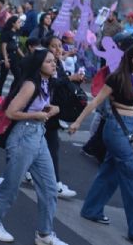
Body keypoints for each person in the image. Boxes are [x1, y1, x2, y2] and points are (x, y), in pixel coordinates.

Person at [69, 44, 133, 244]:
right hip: (116, 129)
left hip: (127, 126)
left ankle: (91, 209)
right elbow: (95, 102)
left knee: (111, 171)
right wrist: (77, 122)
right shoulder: (116, 78)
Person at [0, 49, 68, 245]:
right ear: (39, 65)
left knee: (49, 187)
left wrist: (54, 109)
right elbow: (12, 112)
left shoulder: (47, 83)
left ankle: (45, 234)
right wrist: (35, 115)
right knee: (12, 184)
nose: (54, 64)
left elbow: (45, 107)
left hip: (39, 135)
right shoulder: (31, 85)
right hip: (23, 134)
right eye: (49, 61)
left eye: (54, 61)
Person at [42, 36, 82, 199]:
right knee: (52, 147)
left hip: (53, 112)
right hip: (47, 111)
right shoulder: (46, 64)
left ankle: (33, 174)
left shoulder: (58, 62)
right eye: (54, 46)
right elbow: (52, 83)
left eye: (60, 46)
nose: (58, 49)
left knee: (44, 147)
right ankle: (55, 183)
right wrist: (69, 78)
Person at [0, 16, 24, 105]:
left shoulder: (17, 33)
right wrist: (6, 60)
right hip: (7, 56)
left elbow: (17, 46)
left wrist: (24, 57)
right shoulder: (6, 33)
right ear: (13, 23)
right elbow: (3, 46)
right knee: (3, 77)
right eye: (18, 22)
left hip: (15, 58)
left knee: (18, 77)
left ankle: (11, 95)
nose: (20, 24)